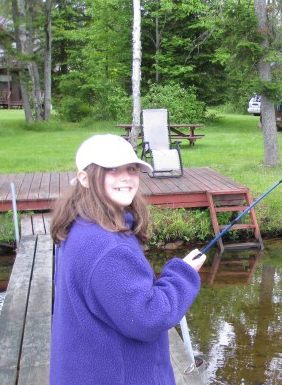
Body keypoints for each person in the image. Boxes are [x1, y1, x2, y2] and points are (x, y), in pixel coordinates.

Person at [49, 134, 206, 384]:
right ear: (84, 178)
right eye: (112, 169)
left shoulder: (77, 224)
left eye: (131, 168)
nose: (126, 177)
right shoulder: (108, 247)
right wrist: (183, 274)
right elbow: (147, 317)